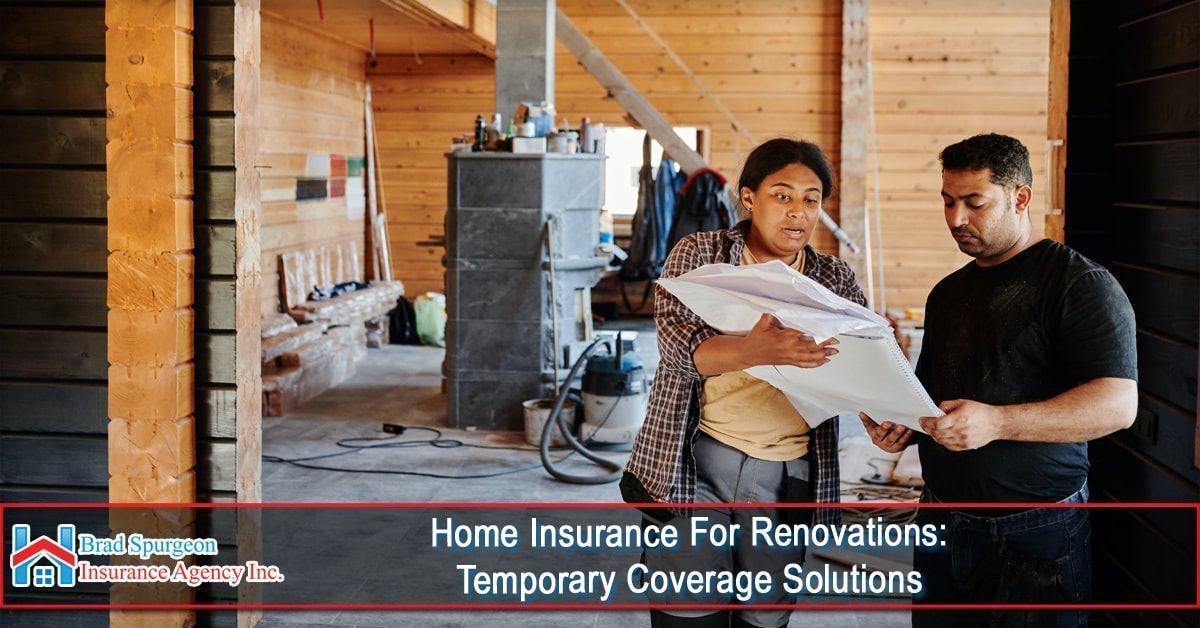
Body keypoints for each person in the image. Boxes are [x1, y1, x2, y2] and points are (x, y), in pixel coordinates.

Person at [860, 133, 1138, 627]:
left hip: (1037, 527)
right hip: (942, 516)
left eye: (974, 202)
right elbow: (928, 396)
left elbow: (1118, 406)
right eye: (947, 201)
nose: (955, 218)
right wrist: (899, 425)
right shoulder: (947, 293)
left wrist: (999, 423)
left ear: (1020, 197)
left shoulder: (1080, 285)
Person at [621, 138, 867, 628]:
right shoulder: (701, 254)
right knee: (687, 612)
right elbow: (676, 349)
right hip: (695, 462)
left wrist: (880, 416)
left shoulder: (833, 277)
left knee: (764, 617)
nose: (798, 212)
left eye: (811, 199)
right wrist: (756, 351)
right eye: (782, 195)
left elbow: (862, 368)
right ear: (749, 197)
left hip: (787, 473)